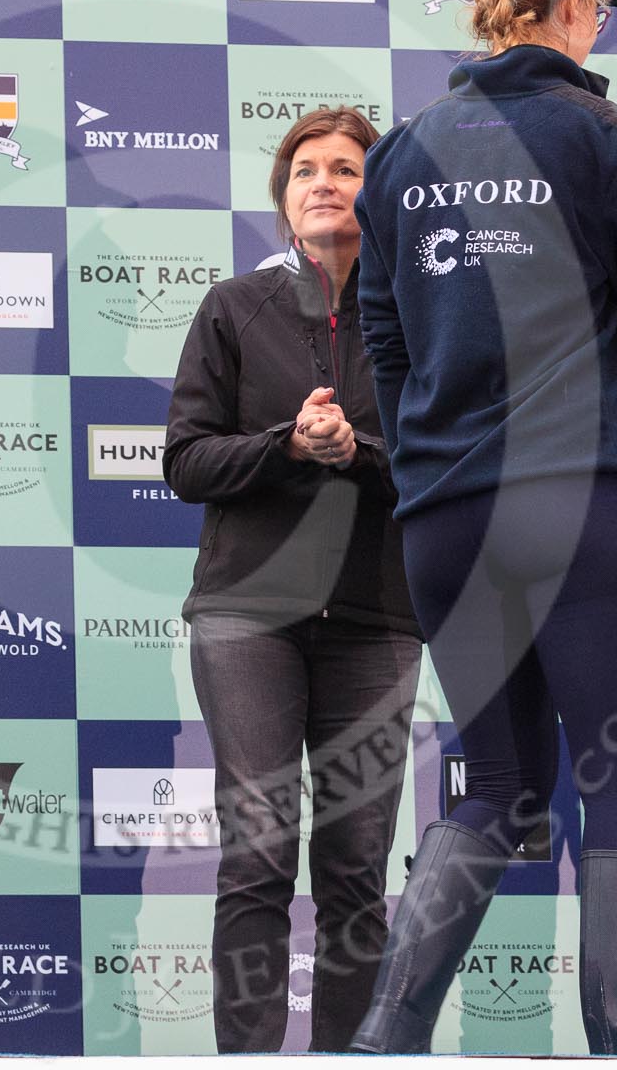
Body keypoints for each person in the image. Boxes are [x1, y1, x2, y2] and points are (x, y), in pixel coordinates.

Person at [348, 0, 617, 1055]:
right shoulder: (610, 135)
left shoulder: (404, 150)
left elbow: (383, 336)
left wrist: (426, 464)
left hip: (445, 519)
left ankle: (385, 1037)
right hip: (572, 500)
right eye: (600, 6)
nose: (601, 24)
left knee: (496, 787)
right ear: (571, 3)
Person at [163, 107, 423, 1053]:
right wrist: (287, 443)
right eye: (306, 169)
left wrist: (356, 450)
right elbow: (185, 461)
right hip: (248, 618)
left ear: (379, 193)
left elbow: (447, 465)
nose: (324, 181)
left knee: (356, 864)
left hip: (377, 615)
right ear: (282, 199)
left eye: (348, 168)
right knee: (260, 855)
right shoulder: (234, 308)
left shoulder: (419, 319)